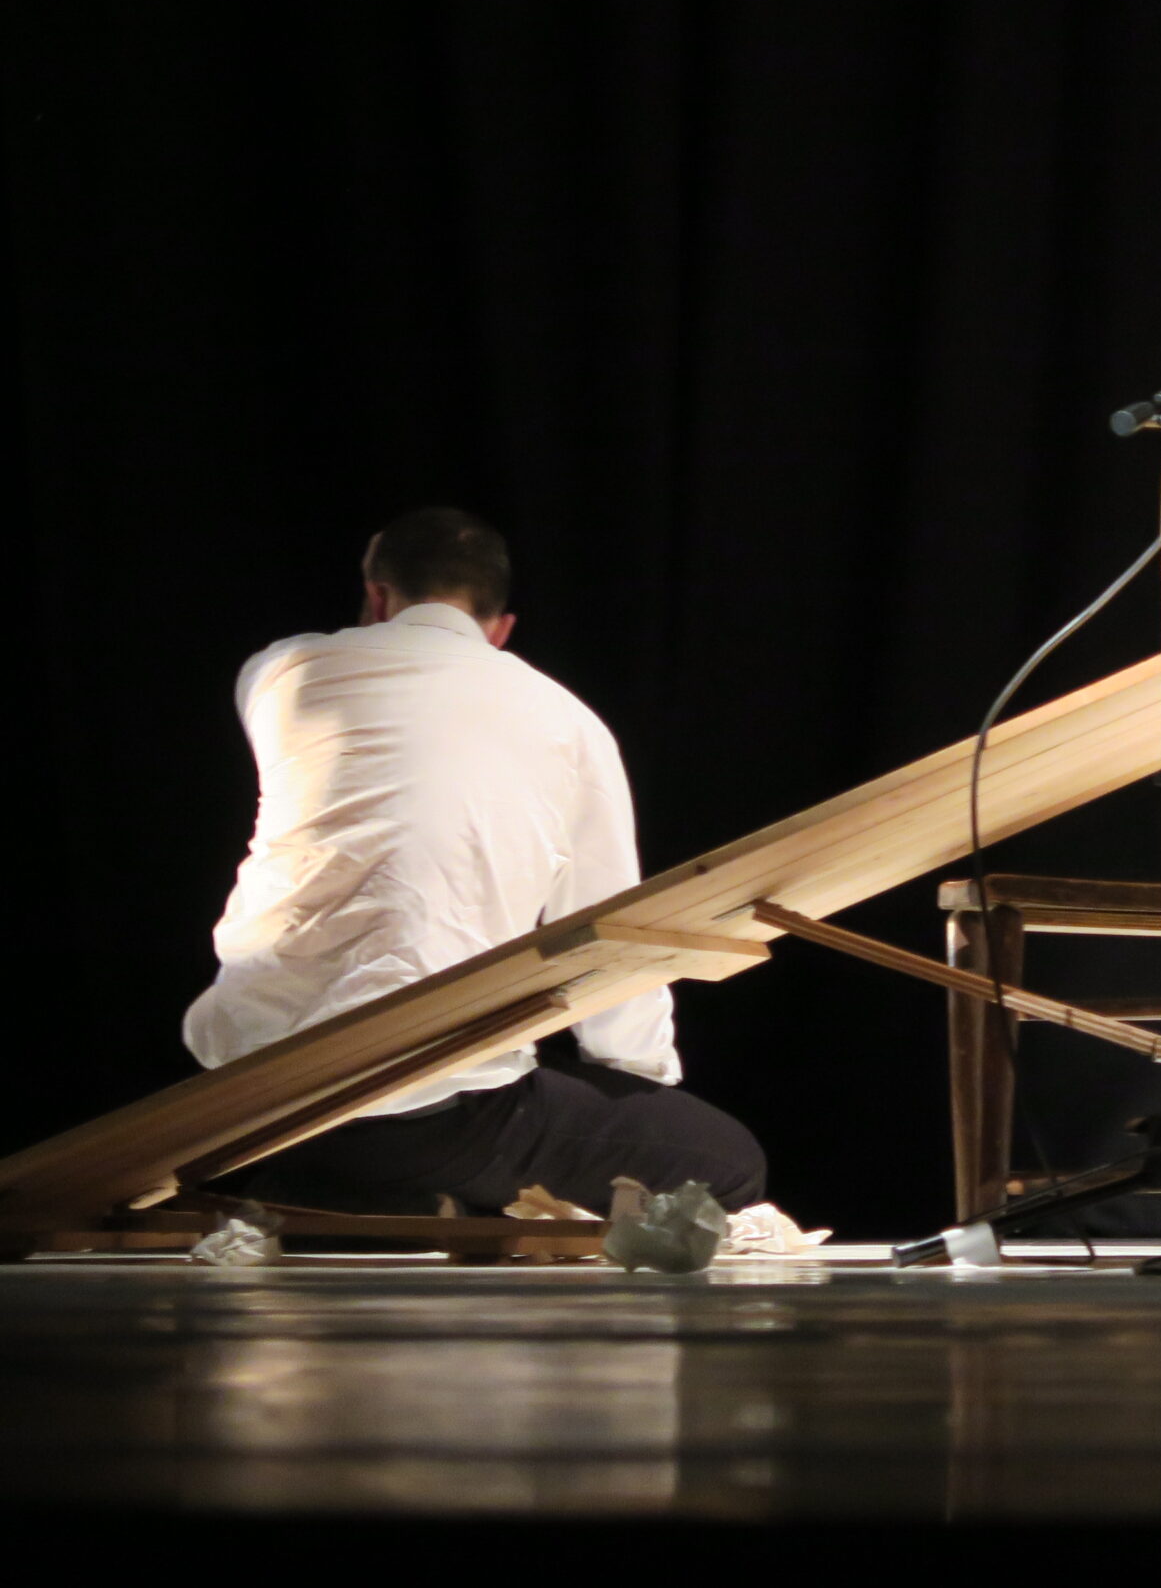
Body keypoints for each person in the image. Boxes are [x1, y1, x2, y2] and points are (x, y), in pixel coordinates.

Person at [185, 506, 765, 1216]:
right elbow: (614, 929)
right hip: (425, 1108)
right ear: (502, 628)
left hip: (244, 1095)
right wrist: (634, 1084)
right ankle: (383, 1192)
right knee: (726, 1163)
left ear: (375, 596)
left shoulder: (279, 672)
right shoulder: (570, 724)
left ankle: (339, 1195)